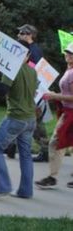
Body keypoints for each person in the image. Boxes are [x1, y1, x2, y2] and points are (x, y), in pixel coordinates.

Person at [0, 40, 37, 200]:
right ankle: (25, 191)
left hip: (16, 118)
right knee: (26, 155)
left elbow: (2, 90)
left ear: (27, 55)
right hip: (30, 119)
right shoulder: (33, 72)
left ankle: (3, 187)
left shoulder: (12, 70)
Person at [5, 24, 50, 162]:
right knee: (19, 116)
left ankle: (45, 151)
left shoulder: (34, 51)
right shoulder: (26, 49)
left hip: (32, 92)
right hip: (25, 90)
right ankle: (11, 147)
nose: (18, 35)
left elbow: (37, 73)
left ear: (29, 35)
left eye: (21, 33)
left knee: (34, 122)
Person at [35, 42, 73, 189]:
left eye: (71, 53)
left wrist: (54, 96)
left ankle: (52, 177)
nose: (68, 55)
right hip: (68, 112)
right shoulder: (69, 69)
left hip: (71, 113)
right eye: (67, 52)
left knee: (55, 143)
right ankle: (52, 176)